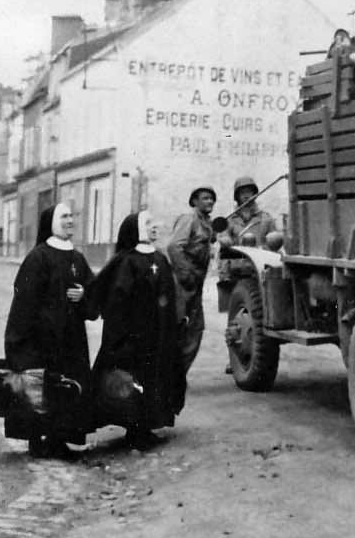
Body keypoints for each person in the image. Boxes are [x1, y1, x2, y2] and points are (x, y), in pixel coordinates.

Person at [1, 202, 96, 459]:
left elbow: (93, 293)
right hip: (42, 338)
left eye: (72, 216)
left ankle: (59, 440)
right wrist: (20, 340)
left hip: (71, 337)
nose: (70, 221)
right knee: (40, 387)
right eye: (64, 217)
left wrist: (84, 295)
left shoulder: (77, 258)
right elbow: (24, 301)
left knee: (67, 386)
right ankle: (37, 440)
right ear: (52, 222)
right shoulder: (38, 257)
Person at [88, 211, 184, 449]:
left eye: (155, 223)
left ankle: (147, 426)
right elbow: (116, 300)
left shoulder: (160, 258)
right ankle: (134, 431)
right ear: (137, 229)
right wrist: (121, 335)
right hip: (134, 337)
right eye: (148, 223)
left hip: (159, 335)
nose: (154, 227)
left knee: (155, 377)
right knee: (133, 380)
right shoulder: (127, 261)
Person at [167, 185, 217, 377]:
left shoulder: (206, 222)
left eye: (211, 198)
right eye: (205, 198)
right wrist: (186, 274)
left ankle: (177, 377)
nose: (210, 201)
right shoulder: (189, 219)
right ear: (194, 201)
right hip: (182, 283)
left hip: (195, 283)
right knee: (178, 329)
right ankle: (170, 378)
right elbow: (174, 246)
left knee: (195, 330)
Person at [216, 175, 279, 249]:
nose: (246, 195)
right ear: (237, 196)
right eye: (242, 192)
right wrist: (225, 240)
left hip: (260, 255)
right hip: (237, 255)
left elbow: (275, 243)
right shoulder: (230, 220)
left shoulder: (266, 218)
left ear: (254, 194)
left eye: (248, 192)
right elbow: (224, 238)